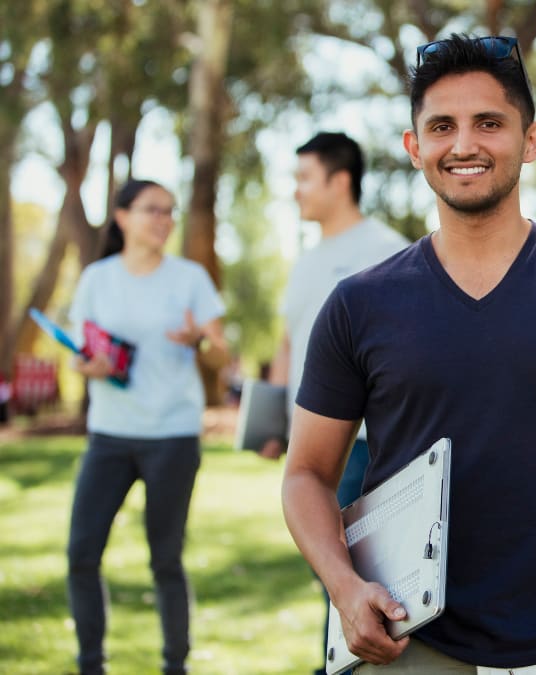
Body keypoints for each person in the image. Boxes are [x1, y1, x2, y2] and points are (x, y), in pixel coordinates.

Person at [281, 33, 536, 674]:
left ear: (532, 140)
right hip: (410, 645)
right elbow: (306, 476)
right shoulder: (358, 304)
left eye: (488, 123)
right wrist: (345, 590)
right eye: (442, 126)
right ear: (414, 148)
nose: (463, 144)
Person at [257, 131, 409, 674]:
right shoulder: (306, 260)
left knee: (357, 581)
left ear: (339, 180)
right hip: (310, 448)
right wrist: (275, 421)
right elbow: (288, 343)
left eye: (304, 178)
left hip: (365, 449)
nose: (295, 191)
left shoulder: (386, 250)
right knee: (330, 577)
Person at [66, 179, 228, 675]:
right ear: (121, 217)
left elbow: (222, 354)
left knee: (165, 560)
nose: (164, 219)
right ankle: (91, 664)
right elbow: (80, 352)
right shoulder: (97, 278)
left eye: (170, 211)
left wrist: (199, 338)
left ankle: (174, 665)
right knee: (81, 552)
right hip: (110, 435)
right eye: (151, 210)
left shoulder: (190, 277)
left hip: (173, 437)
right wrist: (88, 366)